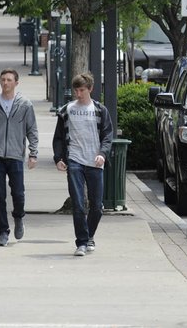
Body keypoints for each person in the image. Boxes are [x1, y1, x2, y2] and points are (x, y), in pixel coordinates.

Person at [52, 73, 114, 257]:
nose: (78, 94)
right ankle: (81, 242)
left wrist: (102, 154)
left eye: (82, 90)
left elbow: (107, 135)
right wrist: (58, 158)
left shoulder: (100, 110)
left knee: (97, 206)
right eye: (76, 90)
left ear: (90, 89)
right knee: (78, 204)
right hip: (75, 160)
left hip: (95, 161)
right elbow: (59, 138)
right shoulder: (67, 110)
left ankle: (88, 236)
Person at [0, 68, 39, 247]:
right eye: (3, 80)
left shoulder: (25, 105)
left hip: (15, 155)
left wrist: (33, 153)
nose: (5, 83)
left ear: (16, 83)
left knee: (18, 193)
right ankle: (3, 232)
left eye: (9, 80)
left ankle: (19, 217)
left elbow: (32, 130)